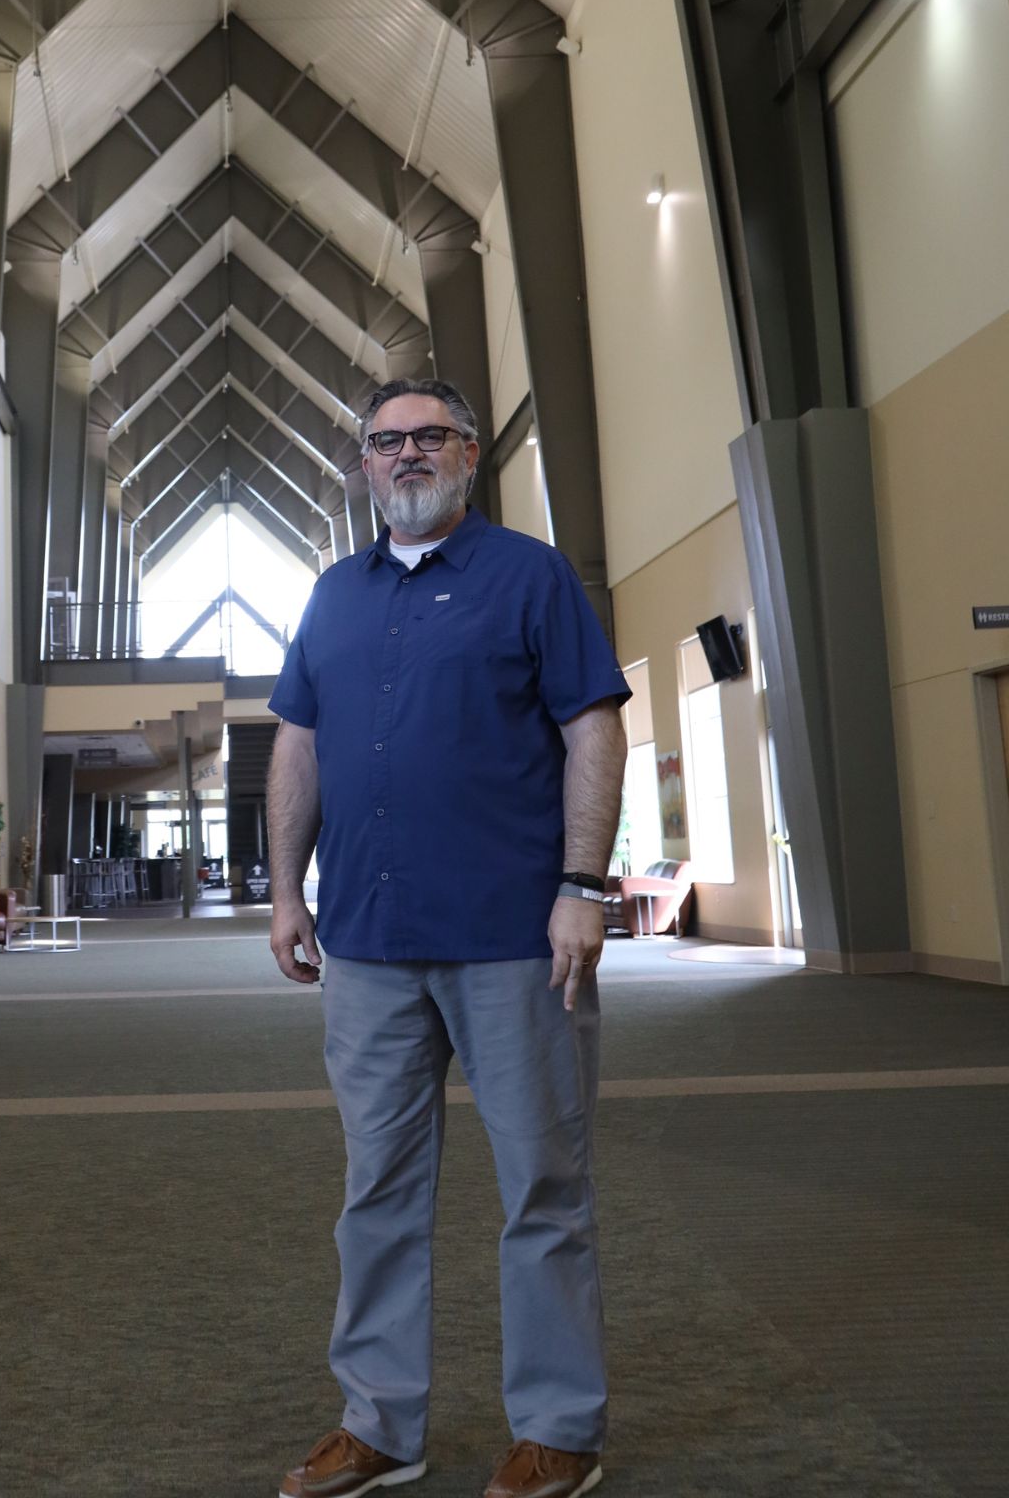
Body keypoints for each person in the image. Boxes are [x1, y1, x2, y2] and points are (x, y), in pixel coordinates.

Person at [267, 379, 629, 1498]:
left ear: (469, 453)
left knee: (541, 1189)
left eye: (430, 437)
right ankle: (380, 1424)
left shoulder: (531, 577)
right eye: (387, 442)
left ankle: (560, 1428)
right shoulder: (330, 597)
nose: (408, 455)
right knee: (375, 1190)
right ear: (364, 466)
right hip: (369, 946)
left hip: (515, 941)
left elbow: (594, 729)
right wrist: (286, 892)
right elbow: (296, 750)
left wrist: (583, 885)